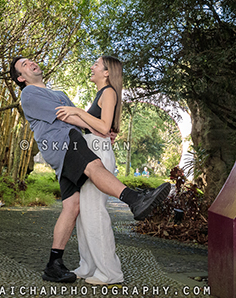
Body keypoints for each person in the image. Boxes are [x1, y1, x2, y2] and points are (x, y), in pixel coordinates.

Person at [9, 56, 171, 283]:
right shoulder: (29, 93)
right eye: (24, 65)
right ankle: (134, 199)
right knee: (94, 166)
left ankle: (53, 264)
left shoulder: (60, 94)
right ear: (21, 78)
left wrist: (101, 130)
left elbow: (79, 117)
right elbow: (67, 116)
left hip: (66, 144)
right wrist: (100, 129)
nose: (31, 63)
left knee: (72, 206)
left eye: (31, 60)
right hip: (63, 141)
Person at [54, 55, 124, 285]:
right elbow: (95, 127)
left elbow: (103, 127)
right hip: (91, 150)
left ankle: (110, 272)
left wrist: (78, 112)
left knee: (95, 214)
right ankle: (88, 266)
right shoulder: (101, 93)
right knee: (85, 215)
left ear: (107, 72)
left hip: (99, 155)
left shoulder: (109, 92)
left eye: (96, 64)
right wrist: (72, 117)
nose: (92, 67)